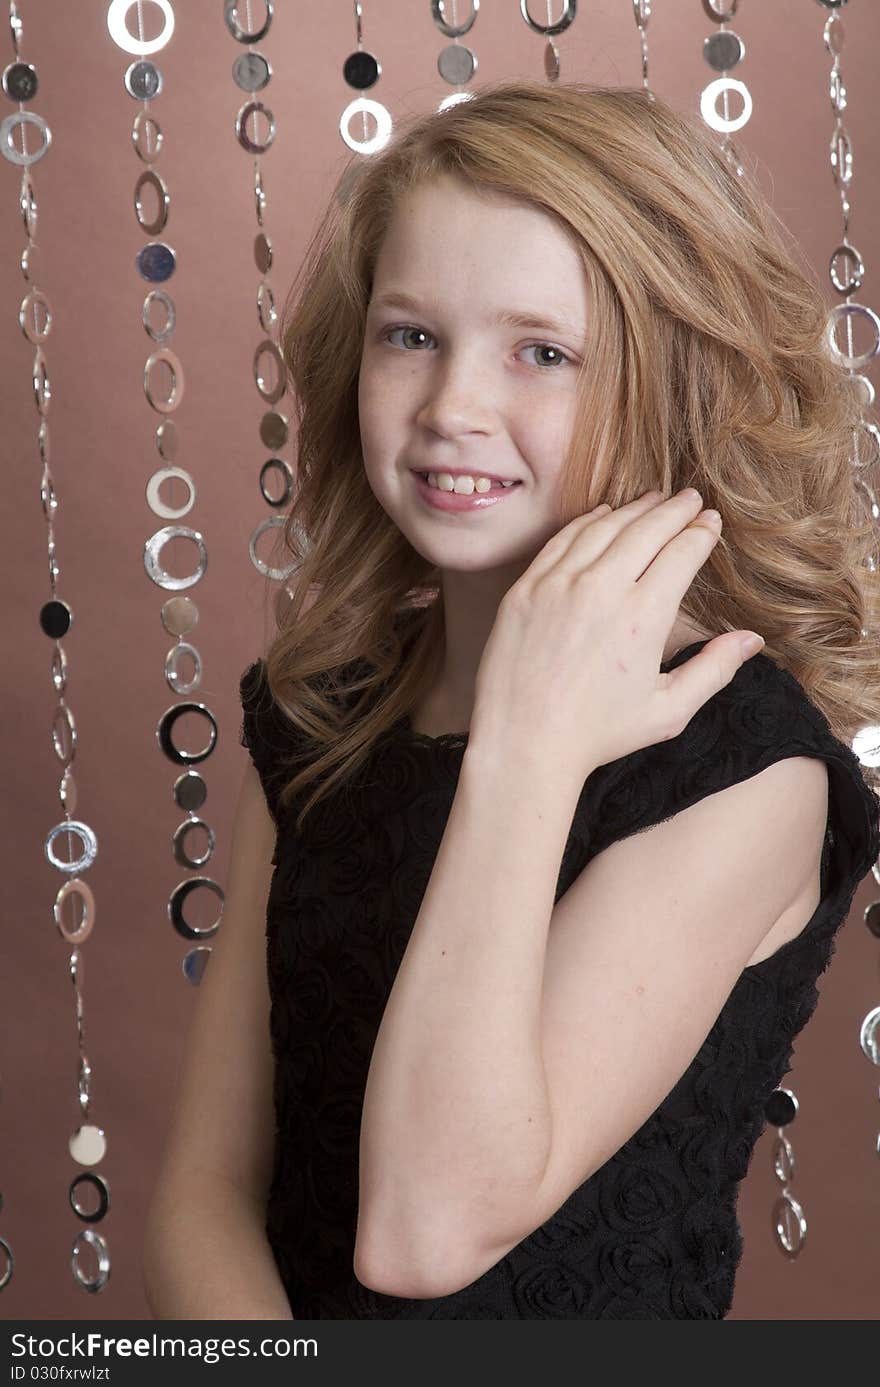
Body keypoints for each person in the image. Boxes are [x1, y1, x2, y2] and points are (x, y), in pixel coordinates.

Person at [143, 81, 879, 1320]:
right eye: (410, 335)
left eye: (541, 351)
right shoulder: (328, 712)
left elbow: (425, 1230)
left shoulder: (748, 772)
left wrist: (526, 748)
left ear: (670, 384)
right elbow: (203, 1194)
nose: (451, 410)